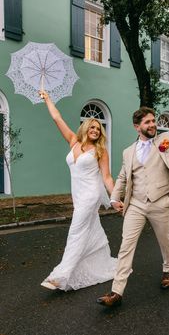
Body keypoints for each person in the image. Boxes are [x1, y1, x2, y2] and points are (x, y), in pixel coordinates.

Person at [96, 88, 169, 307]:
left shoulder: (166, 141)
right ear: (137, 127)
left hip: (160, 202)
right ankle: (116, 291)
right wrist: (113, 199)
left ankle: (168, 271)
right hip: (135, 205)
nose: (152, 125)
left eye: (153, 121)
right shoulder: (128, 152)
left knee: (165, 241)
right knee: (126, 246)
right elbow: (122, 177)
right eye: (147, 122)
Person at [39, 90, 117, 291]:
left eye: (98, 129)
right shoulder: (73, 141)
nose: (95, 131)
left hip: (90, 196)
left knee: (75, 232)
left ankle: (61, 275)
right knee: (89, 231)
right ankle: (101, 265)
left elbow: (107, 177)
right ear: (85, 128)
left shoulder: (100, 151)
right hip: (78, 196)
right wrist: (48, 99)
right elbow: (57, 118)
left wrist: (116, 197)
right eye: (92, 127)